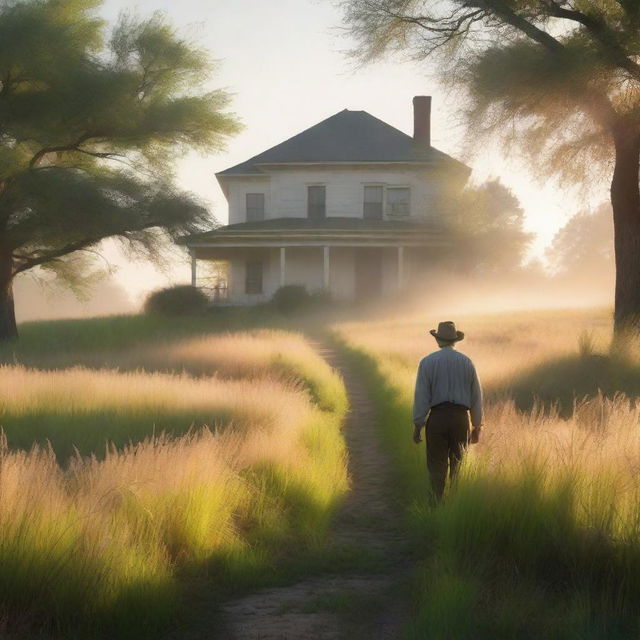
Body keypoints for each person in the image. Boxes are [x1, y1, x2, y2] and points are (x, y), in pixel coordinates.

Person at [412, 320, 483, 502]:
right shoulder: (467, 362)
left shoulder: (427, 362)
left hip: (437, 418)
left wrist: (418, 424)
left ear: (438, 340)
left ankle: (436, 504)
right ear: (454, 340)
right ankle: (455, 504)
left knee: (437, 464)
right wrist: (476, 426)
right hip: (460, 419)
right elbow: (476, 395)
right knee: (459, 464)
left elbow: (422, 396)